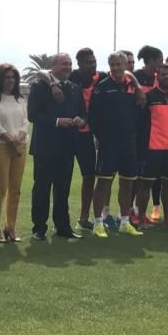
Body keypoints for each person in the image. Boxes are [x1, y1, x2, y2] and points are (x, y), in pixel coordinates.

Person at [27, 53, 86, 240]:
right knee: (42, 189)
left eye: (69, 64)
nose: (67, 67)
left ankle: (63, 227)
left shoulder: (75, 89)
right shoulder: (40, 87)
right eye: (63, 64)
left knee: (63, 190)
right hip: (45, 147)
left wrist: (81, 120)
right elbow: (32, 115)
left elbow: (84, 114)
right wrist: (58, 121)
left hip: (67, 147)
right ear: (53, 66)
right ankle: (39, 228)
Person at [89, 52, 145, 237]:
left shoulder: (132, 86)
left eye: (119, 64)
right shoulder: (102, 87)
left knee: (128, 183)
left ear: (125, 65)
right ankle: (98, 223)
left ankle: (124, 222)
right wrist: (102, 137)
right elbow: (94, 116)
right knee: (104, 183)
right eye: (112, 64)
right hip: (109, 143)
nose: (115, 68)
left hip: (129, 142)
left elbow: (140, 111)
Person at [0, 63, 29, 242]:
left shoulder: (20, 99)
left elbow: (26, 121)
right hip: (0, 146)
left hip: (19, 146)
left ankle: (10, 228)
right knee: (0, 189)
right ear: (0, 79)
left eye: (13, 77)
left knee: (15, 190)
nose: (10, 81)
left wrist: (19, 137)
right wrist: (9, 139)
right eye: (7, 77)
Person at [136, 64, 168, 229]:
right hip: (152, 148)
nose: (167, 77)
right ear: (157, 76)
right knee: (146, 185)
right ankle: (141, 220)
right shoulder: (148, 96)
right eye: (163, 74)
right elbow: (141, 124)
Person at [69, 48, 100, 231]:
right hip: (68, 134)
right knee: (61, 177)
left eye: (94, 61)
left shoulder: (100, 78)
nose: (93, 65)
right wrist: (53, 85)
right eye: (88, 62)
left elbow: (126, 73)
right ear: (79, 64)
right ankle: (60, 220)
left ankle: (83, 218)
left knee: (89, 176)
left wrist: (136, 86)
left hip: (87, 135)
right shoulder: (69, 77)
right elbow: (44, 74)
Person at [133, 45, 165, 225]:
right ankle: (129, 211)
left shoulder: (157, 79)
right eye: (160, 60)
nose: (161, 64)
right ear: (152, 61)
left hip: (153, 132)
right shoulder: (136, 76)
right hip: (137, 131)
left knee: (146, 176)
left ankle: (138, 211)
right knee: (134, 176)